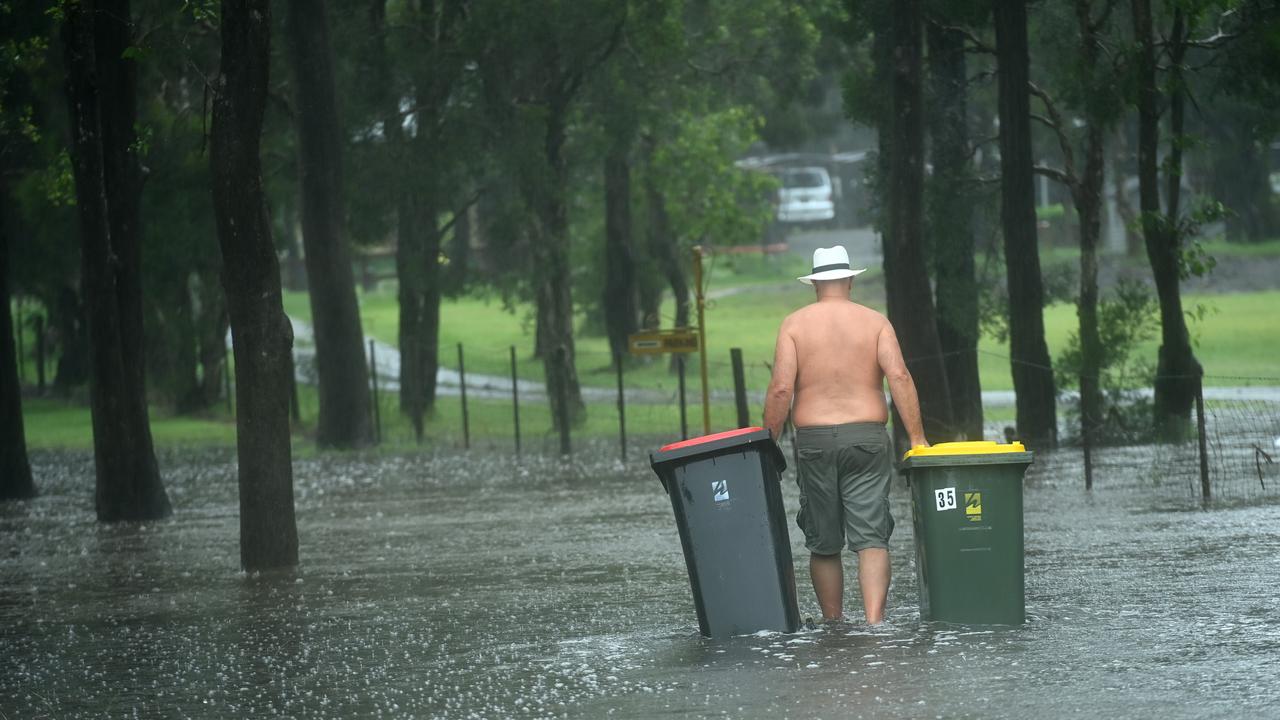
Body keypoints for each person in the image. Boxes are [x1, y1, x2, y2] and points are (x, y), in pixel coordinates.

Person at [763, 245, 929, 624]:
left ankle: (834, 625)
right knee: (871, 538)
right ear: (851, 280)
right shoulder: (875, 322)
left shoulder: (794, 325)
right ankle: (874, 624)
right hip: (868, 439)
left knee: (824, 543)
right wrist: (917, 438)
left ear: (815, 285)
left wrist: (768, 444)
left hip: (814, 442)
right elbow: (900, 376)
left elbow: (781, 390)